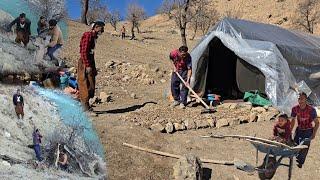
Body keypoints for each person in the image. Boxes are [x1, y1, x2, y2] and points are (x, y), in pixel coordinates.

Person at [78, 21, 105, 111]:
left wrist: (93, 66)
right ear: (96, 27)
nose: (103, 30)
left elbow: (90, 52)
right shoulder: (88, 35)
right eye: (102, 28)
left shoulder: (93, 37)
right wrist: (88, 65)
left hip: (90, 61)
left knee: (91, 84)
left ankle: (87, 105)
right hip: (85, 62)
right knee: (84, 83)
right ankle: (85, 107)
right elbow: (84, 51)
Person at [291, 92, 319, 168]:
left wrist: (313, 134)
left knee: (304, 147)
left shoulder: (311, 110)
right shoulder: (295, 108)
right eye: (299, 99)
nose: (300, 101)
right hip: (299, 129)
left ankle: (300, 162)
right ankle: (296, 157)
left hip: (308, 130)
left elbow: (317, 122)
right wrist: (290, 130)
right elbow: (293, 120)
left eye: (302, 99)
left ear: (306, 100)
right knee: (294, 144)